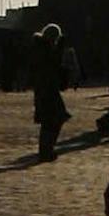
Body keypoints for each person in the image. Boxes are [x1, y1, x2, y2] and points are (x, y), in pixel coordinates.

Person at [30, 23, 71, 161]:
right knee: (53, 119)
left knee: (51, 120)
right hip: (47, 89)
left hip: (44, 88)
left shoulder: (40, 48)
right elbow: (53, 64)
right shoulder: (45, 49)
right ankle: (46, 150)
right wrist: (59, 49)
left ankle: (46, 150)